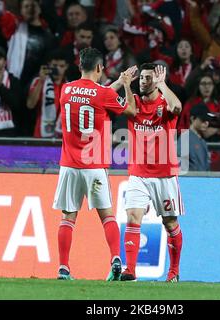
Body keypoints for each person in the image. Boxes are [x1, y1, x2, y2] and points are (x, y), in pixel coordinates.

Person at [52, 47, 137, 281]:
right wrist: (126, 85)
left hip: (69, 166)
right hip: (95, 167)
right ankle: (115, 259)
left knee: (68, 217)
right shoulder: (103, 94)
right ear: (99, 68)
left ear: (80, 66)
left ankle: (63, 268)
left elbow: (94, 96)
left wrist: (118, 82)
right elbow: (129, 110)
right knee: (107, 216)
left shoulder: (66, 90)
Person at [120, 63, 184, 283]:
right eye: (142, 78)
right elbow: (127, 110)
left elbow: (178, 108)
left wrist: (162, 84)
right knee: (132, 217)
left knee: (170, 223)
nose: (143, 82)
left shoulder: (165, 104)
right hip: (138, 173)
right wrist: (127, 86)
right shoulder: (135, 102)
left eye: (148, 78)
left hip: (164, 175)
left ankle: (174, 271)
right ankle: (130, 270)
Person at [27, 49, 71, 138]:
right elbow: (30, 105)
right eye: (54, 65)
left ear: (66, 67)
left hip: (62, 137)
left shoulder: (71, 87)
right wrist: (41, 81)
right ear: (49, 65)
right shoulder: (38, 82)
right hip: (41, 135)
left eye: (61, 66)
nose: (58, 69)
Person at [178, 103, 212, 172]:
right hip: (191, 181)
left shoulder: (202, 141)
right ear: (193, 119)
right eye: (203, 120)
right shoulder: (185, 139)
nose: (207, 123)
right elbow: (180, 169)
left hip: (202, 181)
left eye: (208, 120)